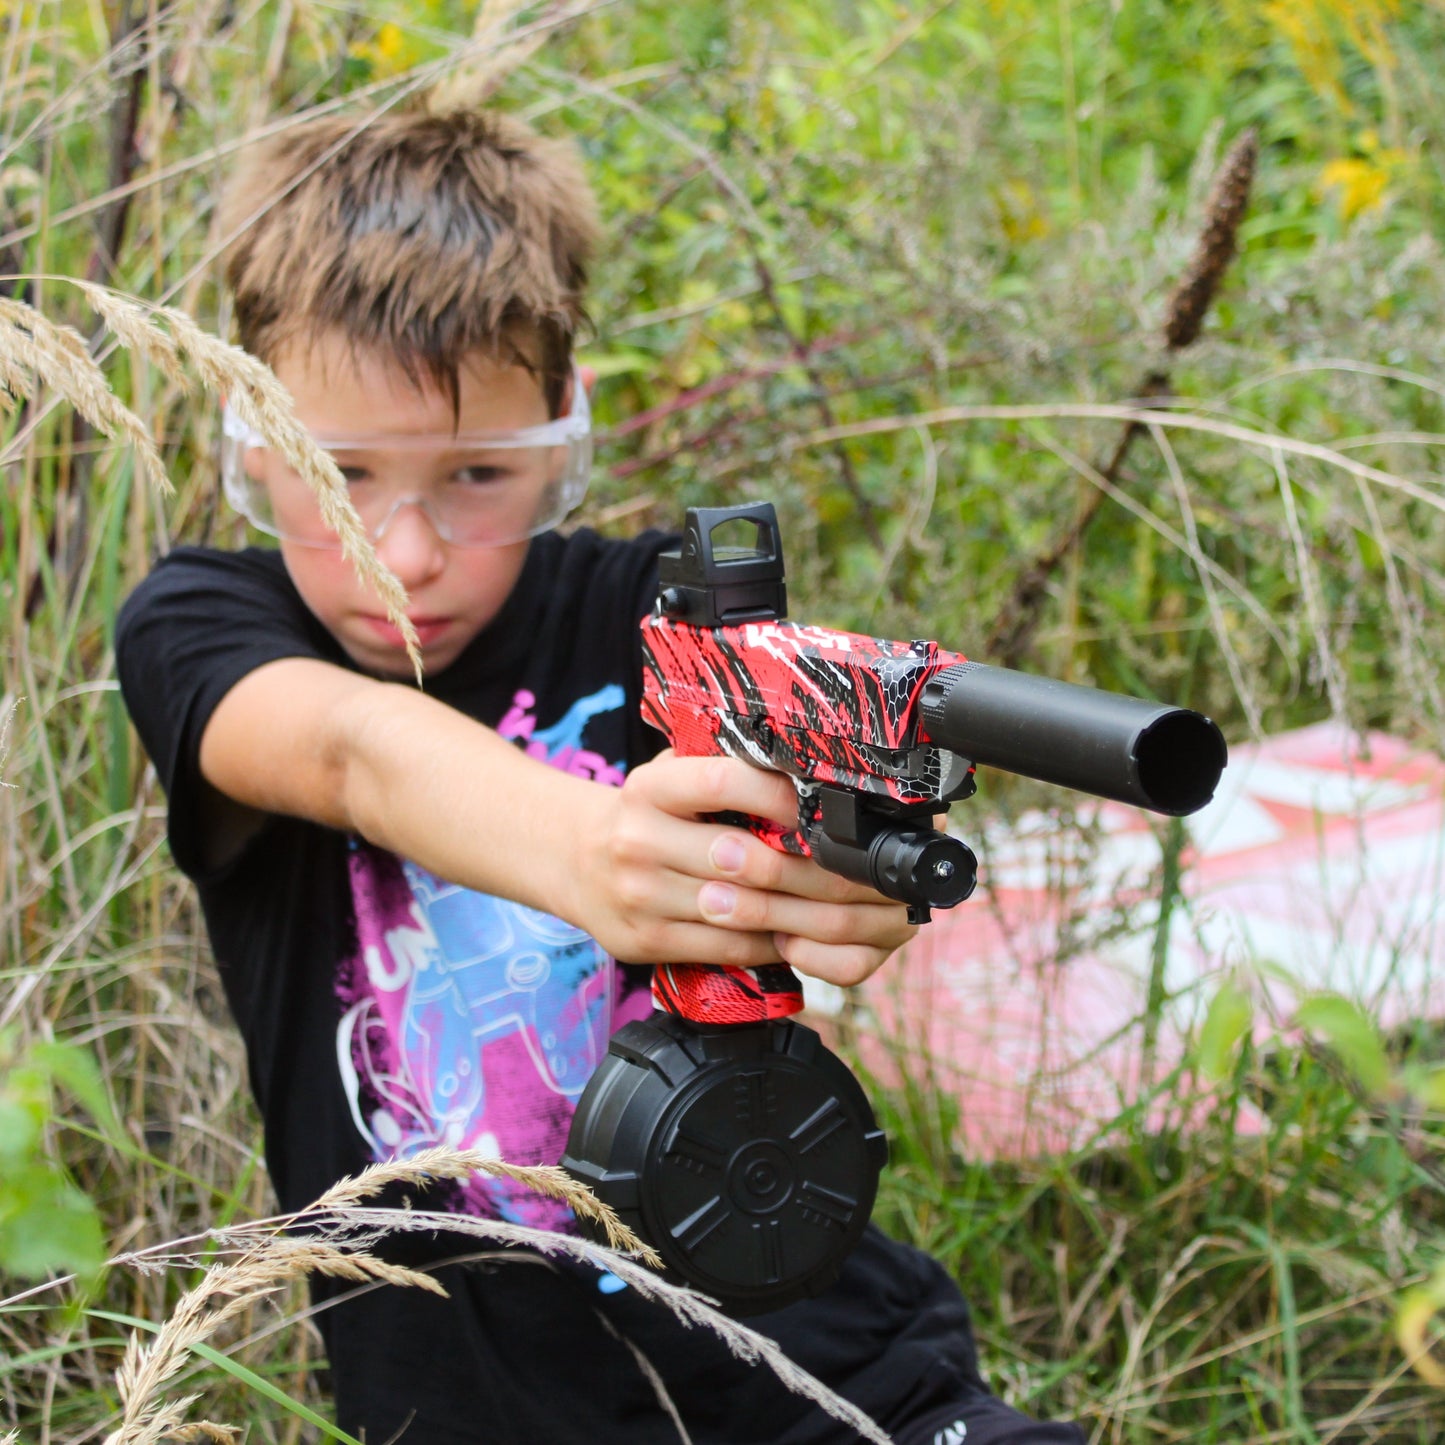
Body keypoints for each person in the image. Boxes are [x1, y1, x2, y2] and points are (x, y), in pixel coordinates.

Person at [116, 105, 1085, 1445]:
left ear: (564, 427)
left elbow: (815, 807)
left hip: (821, 1369)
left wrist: (837, 867)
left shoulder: (654, 618)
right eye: (340, 474)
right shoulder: (201, 625)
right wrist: (596, 857)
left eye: (477, 473)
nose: (406, 550)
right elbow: (353, 752)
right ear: (250, 438)